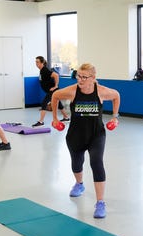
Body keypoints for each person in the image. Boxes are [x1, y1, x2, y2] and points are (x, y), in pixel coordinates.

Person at [50, 63, 120, 218]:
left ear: (93, 78)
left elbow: (116, 96)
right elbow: (55, 96)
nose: (80, 79)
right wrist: (54, 118)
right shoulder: (73, 91)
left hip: (96, 135)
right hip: (76, 135)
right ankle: (79, 184)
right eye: (78, 76)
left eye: (84, 77)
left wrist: (115, 117)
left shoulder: (100, 91)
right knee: (77, 163)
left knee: (96, 162)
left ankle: (100, 202)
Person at [32, 56, 69, 127]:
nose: (36, 63)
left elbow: (56, 75)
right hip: (51, 91)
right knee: (59, 104)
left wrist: (55, 86)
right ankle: (66, 117)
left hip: (53, 91)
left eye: (38, 62)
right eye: (35, 62)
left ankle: (41, 121)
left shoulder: (45, 70)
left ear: (42, 63)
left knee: (44, 103)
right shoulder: (41, 70)